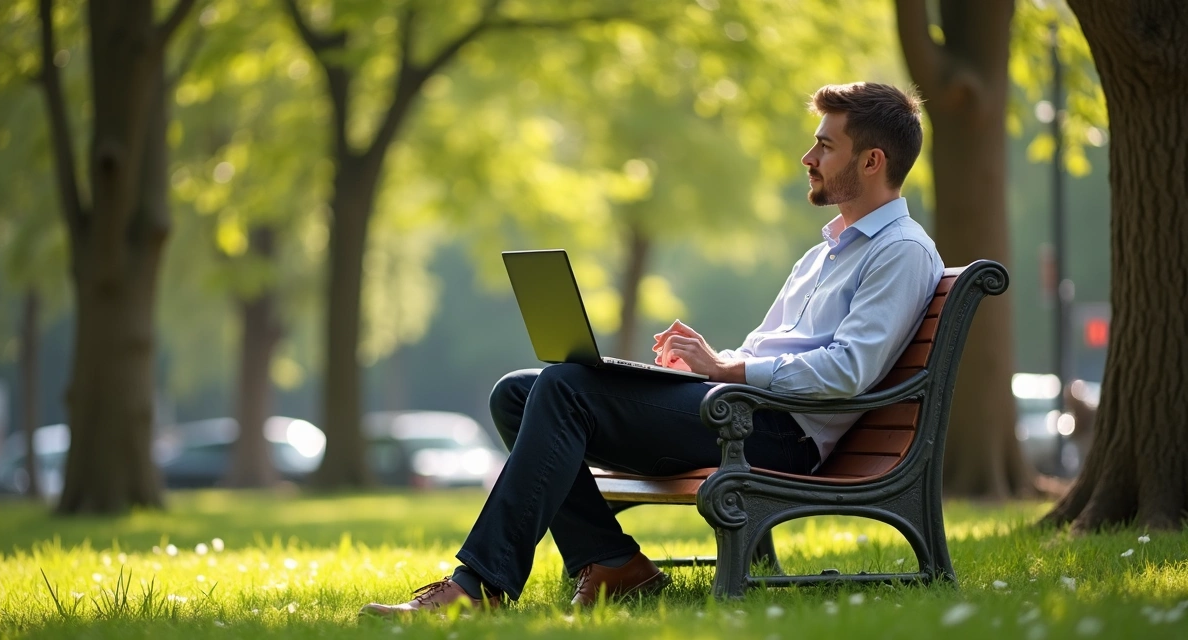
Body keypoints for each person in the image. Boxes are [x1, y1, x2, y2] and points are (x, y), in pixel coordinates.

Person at [359, 82, 944, 616]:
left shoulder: (900, 251)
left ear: (872, 161)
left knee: (563, 388)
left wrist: (730, 369)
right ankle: (614, 563)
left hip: (780, 434)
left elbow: (848, 371)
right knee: (517, 393)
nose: (808, 157)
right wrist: (703, 363)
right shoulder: (825, 253)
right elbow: (768, 349)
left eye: (825, 145)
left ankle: (480, 586)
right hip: (741, 410)